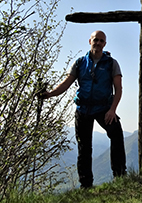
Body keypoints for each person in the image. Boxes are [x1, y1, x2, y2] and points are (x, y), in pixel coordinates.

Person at [42, 30, 127, 189]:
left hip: (103, 108)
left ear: (105, 44)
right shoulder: (80, 62)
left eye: (101, 41)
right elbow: (67, 83)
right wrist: (50, 94)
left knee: (116, 135)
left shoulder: (111, 63)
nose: (98, 43)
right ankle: (86, 185)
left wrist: (112, 110)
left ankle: (120, 176)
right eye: (96, 40)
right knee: (84, 147)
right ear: (90, 41)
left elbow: (118, 89)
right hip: (83, 109)